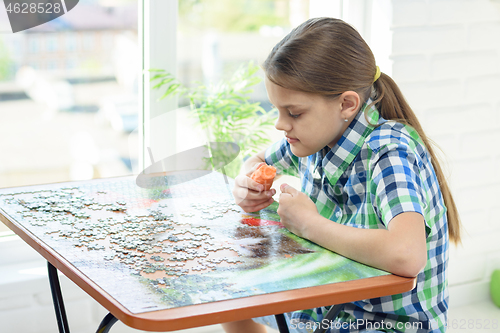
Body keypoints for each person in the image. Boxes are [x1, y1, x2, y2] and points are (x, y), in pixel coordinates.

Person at [225, 17, 461, 333]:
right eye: (277, 110)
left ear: (346, 104)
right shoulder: (315, 135)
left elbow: (407, 255)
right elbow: (257, 161)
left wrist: (309, 224)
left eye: (293, 113)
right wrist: (247, 184)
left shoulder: (388, 151)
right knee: (231, 302)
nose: (281, 124)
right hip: (330, 308)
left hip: (389, 324)